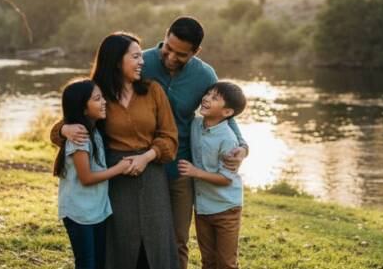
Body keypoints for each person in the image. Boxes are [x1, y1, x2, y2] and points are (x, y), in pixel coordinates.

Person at [53, 17, 249, 269]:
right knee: (122, 239)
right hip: (120, 172)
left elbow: (225, 112)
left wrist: (242, 147)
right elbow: (76, 115)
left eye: (180, 54)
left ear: (195, 52)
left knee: (172, 240)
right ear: (165, 35)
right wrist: (64, 129)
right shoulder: (132, 66)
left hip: (177, 166)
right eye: (168, 48)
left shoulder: (202, 76)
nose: (169, 57)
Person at [53, 32, 179, 269]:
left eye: (141, 57)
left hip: (152, 176)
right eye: (135, 57)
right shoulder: (97, 94)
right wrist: (64, 130)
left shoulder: (153, 91)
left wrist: (146, 157)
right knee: (121, 245)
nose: (142, 62)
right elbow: (68, 122)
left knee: (157, 245)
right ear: (116, 60)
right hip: (114, 179)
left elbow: (170, 138)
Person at [53, 78, 132, 269]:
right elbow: (86, 178)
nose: (104, 102)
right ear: (83, 108)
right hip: (79, 212)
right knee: (87, 263)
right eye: (97, 99)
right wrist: (118, 169)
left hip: (95, 210)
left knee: (99, 261)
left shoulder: (95, 131)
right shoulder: (79, 136)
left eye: (102, 97)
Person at [178, 81, 246, 269]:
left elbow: (225, 179)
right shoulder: (195, 125)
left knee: (226, 263)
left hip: (226, 209)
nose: (206, 98)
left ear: (227, 112)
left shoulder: (228, 139)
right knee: (208, 261)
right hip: (203, 209)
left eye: (214, 98)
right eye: (208, 94)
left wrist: (195, 172)